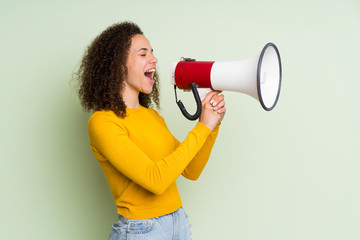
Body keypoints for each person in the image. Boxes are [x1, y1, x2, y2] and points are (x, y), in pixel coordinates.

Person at [76, 21, 226, 240]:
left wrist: (212, 126)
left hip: (178, 222)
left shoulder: (152, 116)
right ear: (118, 64)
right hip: (141, 230)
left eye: (152, 53)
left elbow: (191, 170)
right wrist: (202, 126)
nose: (154, 59)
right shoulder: (103, 122)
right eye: (143, 54)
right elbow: (156, 180)